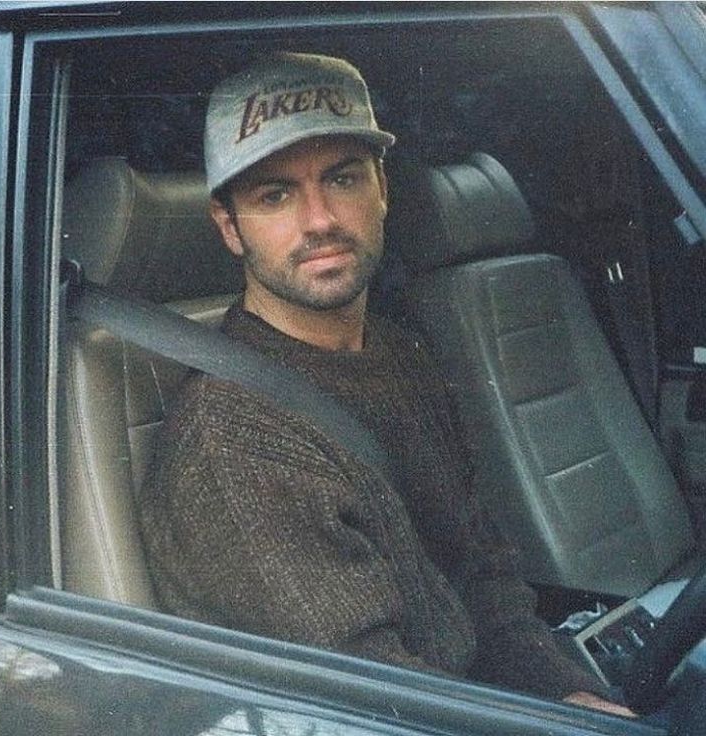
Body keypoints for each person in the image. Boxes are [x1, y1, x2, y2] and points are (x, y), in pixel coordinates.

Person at [141, 52, 632, 717]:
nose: (319, 219)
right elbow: (370, 698)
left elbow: (483, 579)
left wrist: (569, 696)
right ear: (230, 227)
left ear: (383, 189)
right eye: (274, 195)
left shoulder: (402, 355)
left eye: (342, 178)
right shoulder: (234, 439)